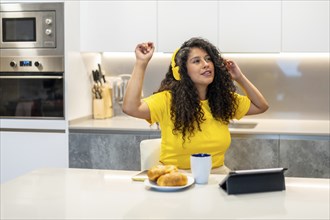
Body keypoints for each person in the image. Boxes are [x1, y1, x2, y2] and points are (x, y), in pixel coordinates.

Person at [122, 37, 269, 174]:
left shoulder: (222, 100)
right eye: (196, 61)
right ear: (181, 71)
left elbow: (260, 106)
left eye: (208, 59)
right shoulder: (167, 100)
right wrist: (141, 63)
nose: (206, 64)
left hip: (217, 175)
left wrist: (239, 77)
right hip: (176, 177)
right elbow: (130, 108)